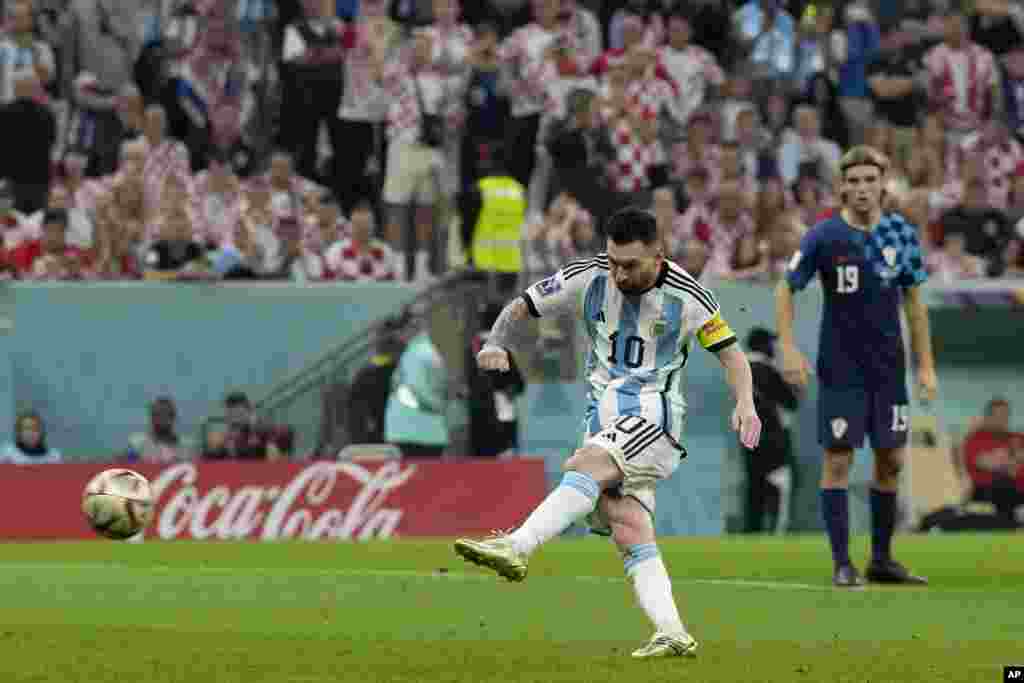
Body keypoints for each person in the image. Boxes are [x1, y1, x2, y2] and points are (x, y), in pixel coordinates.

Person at [454, 207, 762, 658]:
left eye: (631, 265)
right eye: (613, 261)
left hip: (653, 415)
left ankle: (518, 545)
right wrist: (497, 341)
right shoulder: (589, 275)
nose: (618, 273)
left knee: (584, 466)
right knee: (628, 526)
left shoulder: (690, 296)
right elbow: (524, 304)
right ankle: (673, 632)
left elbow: (733, 355)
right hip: (602, 416)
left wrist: (746, 402)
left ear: (658, 256)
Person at [775, 145, 937, 588]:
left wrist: (925, 366)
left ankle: (882, 560)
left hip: (889, 371)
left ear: (882, 184)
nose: (863, 188)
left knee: (891, 461)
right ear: (842, 187)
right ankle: (842, 563)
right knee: (840, 460)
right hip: (842, 369)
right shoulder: (824, 237)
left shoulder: (902, 233)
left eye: (870, 180)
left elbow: (915, 305)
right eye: (854, 181)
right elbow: (786, 289)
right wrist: (788, 349)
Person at [742, 327, 801, 534]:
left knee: (754, 486)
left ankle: (752, 531)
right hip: (773, 438)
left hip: (748, 436)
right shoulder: (766, 369)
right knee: (781, 484)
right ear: (763, 345)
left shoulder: (740, 369)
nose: (773, 348)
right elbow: (792, 401)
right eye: (770, 343)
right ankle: (777, 531)